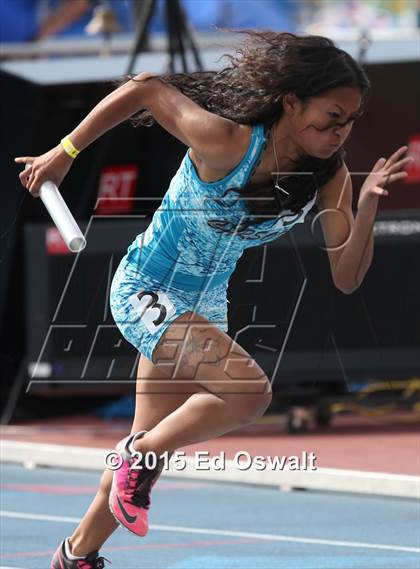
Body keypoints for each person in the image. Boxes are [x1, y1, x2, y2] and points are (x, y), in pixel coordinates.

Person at [15, 30, 412, 569]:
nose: (339, 132)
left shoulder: (331, 175)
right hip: (147, 287)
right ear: (292, 103)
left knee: (147, 444)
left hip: (205, 309)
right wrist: (65, 152)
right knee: (248, 394)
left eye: (350, 121)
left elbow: (346, 275)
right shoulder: (226, 140)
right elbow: (148, 88)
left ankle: (75, 555)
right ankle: (136, 460)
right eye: (331, 116)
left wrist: (366, 206)